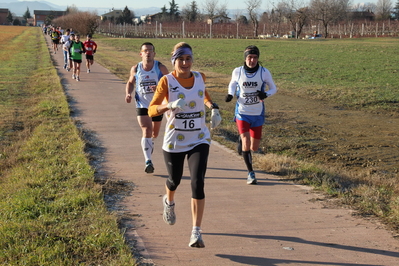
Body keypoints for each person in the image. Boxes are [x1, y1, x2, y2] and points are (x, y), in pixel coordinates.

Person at [148, 42, 221, 248]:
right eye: (181, 59)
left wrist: (213, 108)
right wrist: (169, 105)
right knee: (174, 180)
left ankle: (196, 232)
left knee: (197, 181)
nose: (185, 63)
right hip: (174, 141)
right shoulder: (167, 81)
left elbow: (204, 94)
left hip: (199, 138)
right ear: (174, 61)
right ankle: (168, 201)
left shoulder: (200, 77)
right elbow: (152, 110)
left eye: (188, 58)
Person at [225, 45, 277, 185]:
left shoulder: (264, 72)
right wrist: (230, 94)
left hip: (257, 112)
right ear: (245, 58)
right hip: (242, 112)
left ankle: (242, 141)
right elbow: (232, 84)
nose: (252, 60)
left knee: (254, 147)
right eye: (249, 57)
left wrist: (265, 94)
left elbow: (274, 88)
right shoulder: (238, 71)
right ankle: (251, 174)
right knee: (247, 142)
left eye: (254, 57)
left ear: (258, 59)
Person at [125, 42, 169, 173]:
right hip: (142, 104)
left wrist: (160, 89)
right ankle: (148, 161)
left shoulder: (161, 68)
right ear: (141, 54)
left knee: (154, 134)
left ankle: (149, 143)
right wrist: (128, 93)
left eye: (150, 51)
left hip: (157, 105)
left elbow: (171, 85)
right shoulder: (136, 69)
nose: (148, 53)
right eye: (145, 51)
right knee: (146, 130)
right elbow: (130, 82)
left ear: (154, 54)